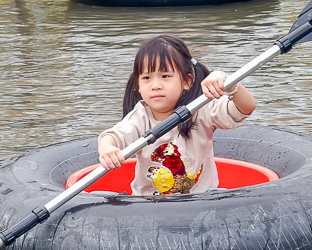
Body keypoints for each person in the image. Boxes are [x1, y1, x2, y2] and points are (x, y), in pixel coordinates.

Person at [97, 35, 257, 196]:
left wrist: (229, 82)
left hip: (201, 201)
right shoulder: (141, 116)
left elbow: (245, 108)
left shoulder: (201, 109)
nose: (156, 86)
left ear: (187, 81)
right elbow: (113, 136)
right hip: (148, 205)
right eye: (146, 78)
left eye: (165, 76)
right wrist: (107, 148)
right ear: (138, 85)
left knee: (222, 193)